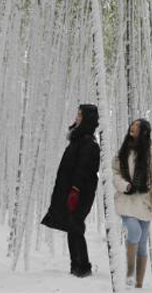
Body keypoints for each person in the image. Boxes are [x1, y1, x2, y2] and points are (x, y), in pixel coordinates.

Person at [41, 104, 101, 277]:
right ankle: (77, 265)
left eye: (80, 115)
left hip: (79, 194)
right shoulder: (78, 141)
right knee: (72, 226)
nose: (76, 118)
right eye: (77, 114)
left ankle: (82, 267)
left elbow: (85, 170)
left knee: (75, 226)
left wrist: (75, 190)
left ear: (87, 119)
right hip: (71, 192)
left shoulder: (89, 144)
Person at [112, 119, 152, 289]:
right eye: (132, 124)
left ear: (143, 132)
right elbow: (115, 173)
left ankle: (139, 284)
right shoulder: (123, 152)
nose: (132, 127)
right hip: (126, 200)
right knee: (134, 231)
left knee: (142, 243)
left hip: (144, 203)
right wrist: (124, 185)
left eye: (136, 126)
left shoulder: (151, 154)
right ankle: (129, 273)